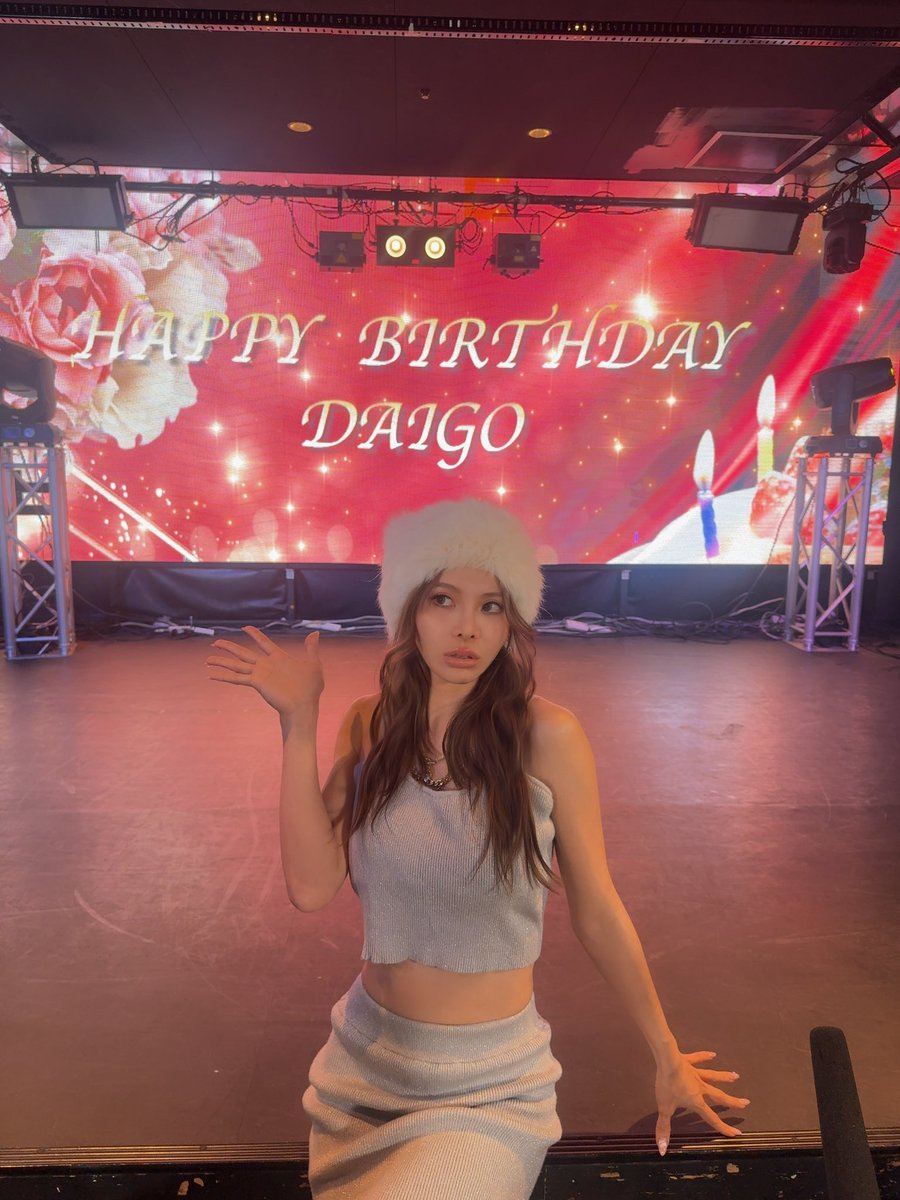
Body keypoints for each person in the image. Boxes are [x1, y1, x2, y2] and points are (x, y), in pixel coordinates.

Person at [206, 498, 749, 1199]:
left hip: (489, 1090)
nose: (467, 627)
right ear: (409, 611)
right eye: (443, 600)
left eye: (491, 606)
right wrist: (298, 723)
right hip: (363, 1076)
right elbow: (311, 889)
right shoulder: (369, 726)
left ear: (510, 621)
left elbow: (597, 909)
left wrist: (665, 1051)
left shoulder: (548, 736)